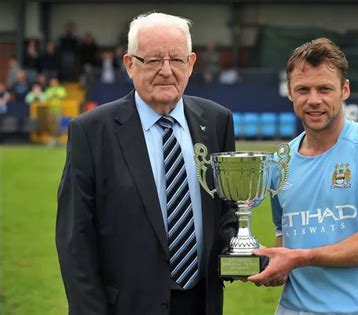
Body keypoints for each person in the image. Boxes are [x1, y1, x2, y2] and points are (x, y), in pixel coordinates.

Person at [56, 12, 237, 315]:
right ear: (129, 64)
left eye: (176, 60)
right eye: (153, 60)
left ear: (191, 64)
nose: (166, 71)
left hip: (201, 303)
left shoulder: (217, 122)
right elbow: (75, 239)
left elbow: (227, 209)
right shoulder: (91, 131)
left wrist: (240, 247)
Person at [248, 38, 358, 315]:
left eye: (324, 89)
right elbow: (286, 236)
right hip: (293, 308)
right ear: (290, 93)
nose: (313, 100)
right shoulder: (280, 160)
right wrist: (275, 265)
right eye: (303, 89)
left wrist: (297, 259)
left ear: (344, 90)